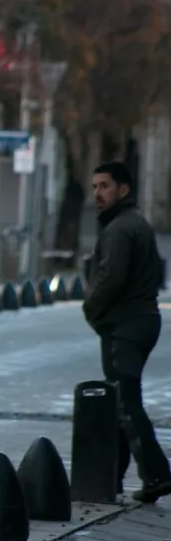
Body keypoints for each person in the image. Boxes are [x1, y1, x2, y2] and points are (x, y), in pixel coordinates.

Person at [83, 161, 171, 503]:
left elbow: (111, 278)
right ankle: (111, 477)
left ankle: (157, 474)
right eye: (94, 187)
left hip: (127, 324)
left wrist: (90, 308)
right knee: (120, 398)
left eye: (104, 186)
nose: (98, 194)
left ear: (123, 190)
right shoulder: (133, 224)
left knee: (125, 401)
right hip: (139, 321)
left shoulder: (120, 228)